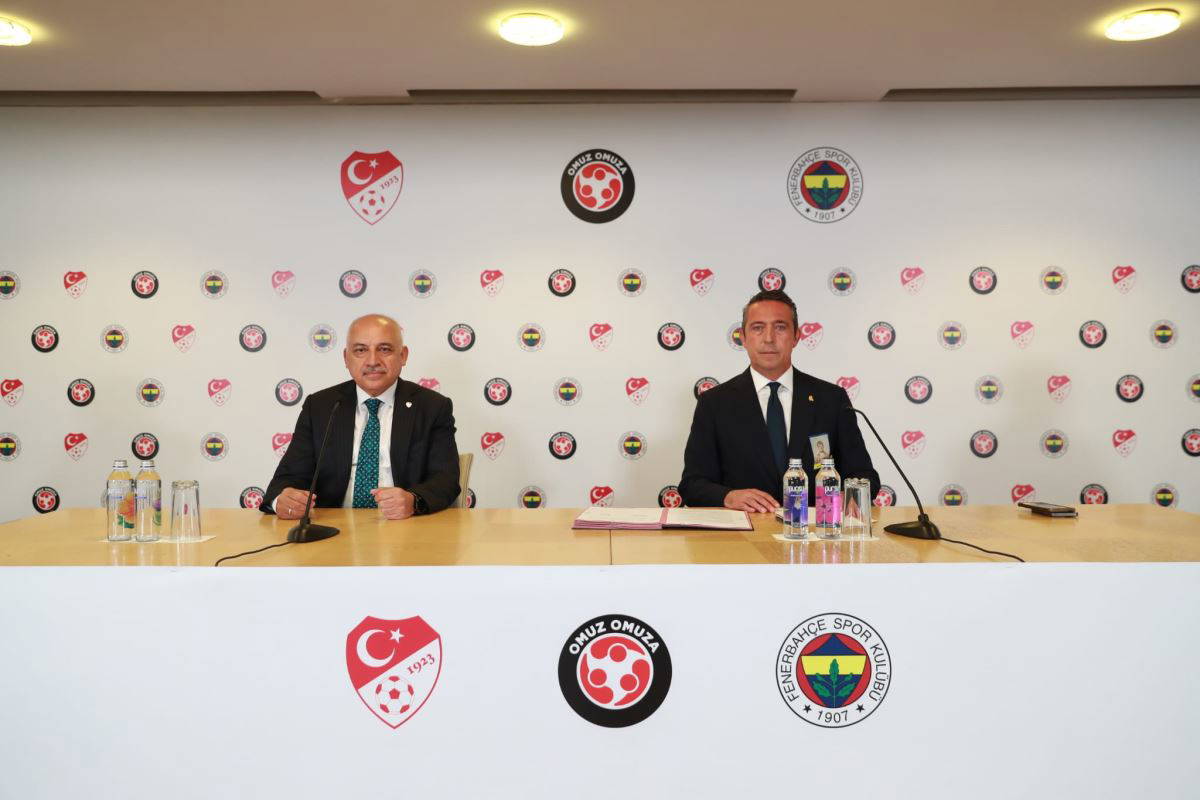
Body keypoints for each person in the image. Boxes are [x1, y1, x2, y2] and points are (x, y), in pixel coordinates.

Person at [680, 290, 879, 512]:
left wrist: (849, 495)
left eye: (780, 327)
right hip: (746, 530)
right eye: (758, 328)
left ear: (796, 337)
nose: (769, 338)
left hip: (815, 530)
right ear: (743, 337)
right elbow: (692, 485)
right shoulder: (714, 403)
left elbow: (864, 475)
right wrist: (728, 496)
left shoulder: (831, 399)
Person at [264, 314, 460, 520]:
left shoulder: (432, 407)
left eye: (384, 349)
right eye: (360, 350)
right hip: (333, 527)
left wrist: (413, 501)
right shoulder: (320, 407)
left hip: (404, 526)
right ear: (346, 358)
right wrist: (282, 500)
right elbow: (287, 478)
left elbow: (445, 479)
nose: (373, 361)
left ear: (403, 355)